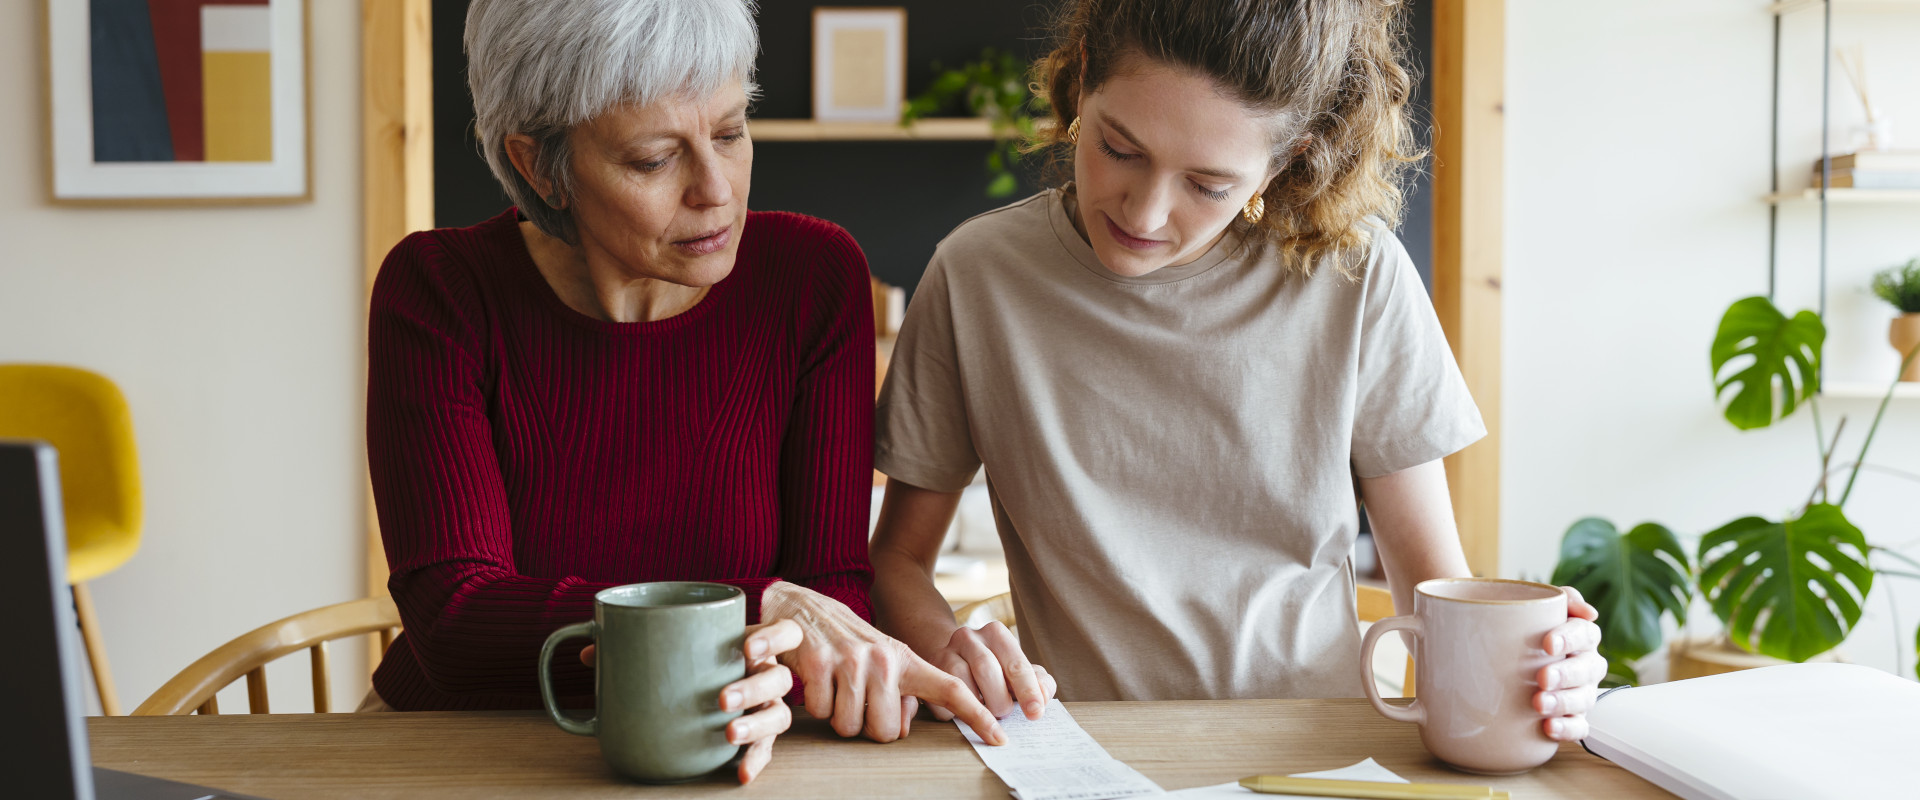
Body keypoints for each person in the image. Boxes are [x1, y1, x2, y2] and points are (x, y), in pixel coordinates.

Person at [870, 0, 1607, 743]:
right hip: (1073, 751)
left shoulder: (1355, 275)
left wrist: (1541, 668)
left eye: (1207, 184)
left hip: (1318, 754)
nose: (1147, 212)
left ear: (1287, 158)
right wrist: (947, 646)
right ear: (1084, 77)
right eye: (1120, 149)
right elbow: (899, 559)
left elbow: (1432, 585)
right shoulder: (978, 276)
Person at [364, 0, 1002, 783]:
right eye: (653, 159)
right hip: (455, 751)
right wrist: (756, 607)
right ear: (538, 166)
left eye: (731, 133)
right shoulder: (438, 292)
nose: (717, 190)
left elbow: (832, 590)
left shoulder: (810, 279)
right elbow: (455, 622)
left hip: (725, 742)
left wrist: (791, 655)